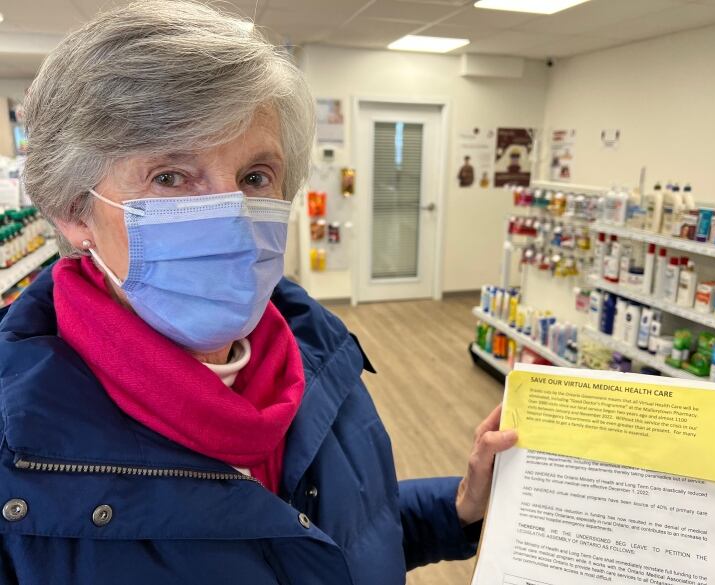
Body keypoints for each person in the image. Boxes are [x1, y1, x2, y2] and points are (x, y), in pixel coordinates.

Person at [0, 2, 518, 583]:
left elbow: (341, 535)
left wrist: (462, 507)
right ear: (76, 211)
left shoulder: (320, 358)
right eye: (170, 176)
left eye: (254, 177)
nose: (234, 215)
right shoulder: (17, 460)